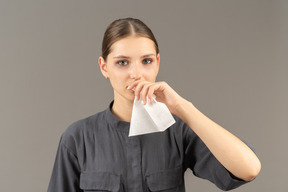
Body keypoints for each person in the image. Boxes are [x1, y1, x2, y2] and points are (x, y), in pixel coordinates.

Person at [48, 17, 261, 192]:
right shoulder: (78, 137)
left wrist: (182, 107)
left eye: (146, 61)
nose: (136, 74)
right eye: (122, 62)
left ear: (157, 63)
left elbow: (248, 168)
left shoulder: (177, 130)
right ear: (104, 67)